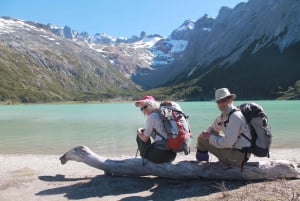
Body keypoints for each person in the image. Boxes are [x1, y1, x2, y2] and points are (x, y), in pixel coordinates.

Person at [196, 88, 252, 168]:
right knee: (204, 136)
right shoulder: (224, 116)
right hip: (237, 151)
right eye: (219, 101)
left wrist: (208, 137)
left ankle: (201, 167)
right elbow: (213, 127)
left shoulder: (235, 117)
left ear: (230, 100)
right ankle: (202, 163)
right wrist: (206, 133)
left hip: (238, 157)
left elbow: (228, 143)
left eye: (224, 100)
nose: (221, 104)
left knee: (202, 140)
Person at [135, 95, 177, 163]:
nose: (144, 110)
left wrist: (138, 131)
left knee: (141, 133)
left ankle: (144, 156)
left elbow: (145, 139)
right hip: (172, 154)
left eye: (145, 107)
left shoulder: (152, 117)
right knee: (145, 133)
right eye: (141, 109)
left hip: (160, 155)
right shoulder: (164, 114)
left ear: (152, 105)